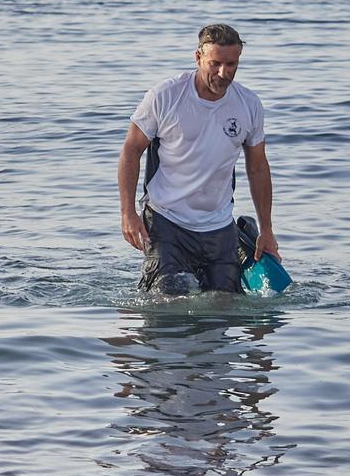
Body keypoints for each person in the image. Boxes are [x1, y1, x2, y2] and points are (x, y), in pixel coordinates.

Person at [117, 23, 279, 295]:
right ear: (198, 57)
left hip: (218, 224)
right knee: (168, 300)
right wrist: (127, 214)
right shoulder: (165, 96)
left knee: (225, 305)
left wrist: (267, 229)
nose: (223, 73)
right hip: (166, 219)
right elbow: (131, 151)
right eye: (215, 63)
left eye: (231, 65)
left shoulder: (248, 104)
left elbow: (258, 167)